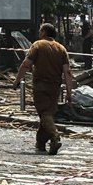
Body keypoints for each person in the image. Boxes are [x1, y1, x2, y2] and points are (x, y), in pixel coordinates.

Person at [12, 23, 74, 155]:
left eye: (40, 31)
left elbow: (26, 64)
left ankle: (55, 137)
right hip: (55, 88)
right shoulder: (61, 49)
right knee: (47, 114)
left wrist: (17, 80)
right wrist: (69, 92)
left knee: (44, 113)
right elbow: (67, 72)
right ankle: (40, 142)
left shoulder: (38, 45)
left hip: (40, 85)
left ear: (44, 33)